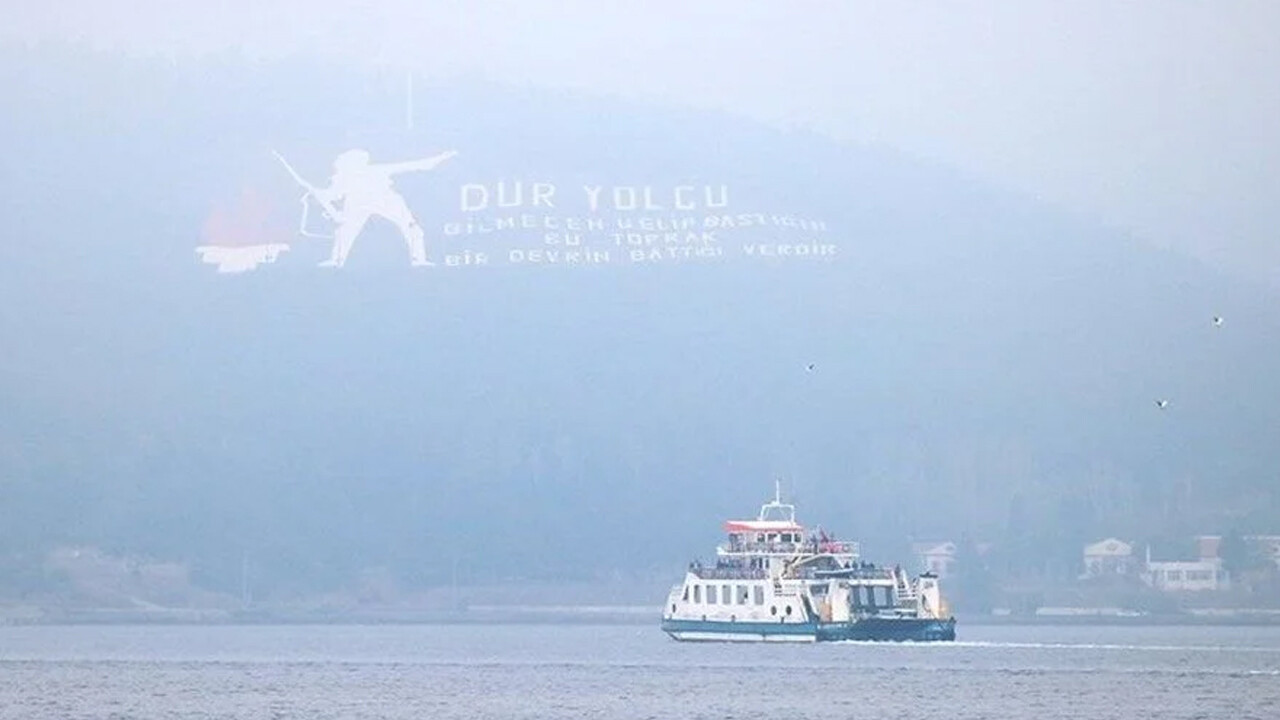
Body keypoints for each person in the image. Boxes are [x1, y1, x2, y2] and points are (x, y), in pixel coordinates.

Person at [311, 148, 457, 268]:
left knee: (411, 227)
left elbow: (414, 165)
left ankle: (419, 260)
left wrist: (439, 159)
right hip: (357, 203)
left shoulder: (375, 170)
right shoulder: (341, 178)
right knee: (344, 232)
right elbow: (333, 196)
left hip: (385, 199)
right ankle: (336, 261)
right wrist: (321, 194)